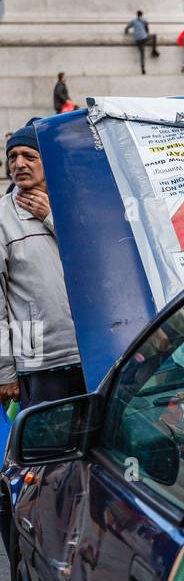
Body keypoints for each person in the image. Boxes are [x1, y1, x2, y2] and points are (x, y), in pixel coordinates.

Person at [0, 125, 85, 410]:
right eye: (12, 157)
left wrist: (51, 218)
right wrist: (5, 371)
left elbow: (94, 260)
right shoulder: (2, 217)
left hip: (89, 349)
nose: (19, 164)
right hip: (38, 362)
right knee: (48, 450)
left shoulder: (73, 203)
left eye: (29, 156)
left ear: (48, 160)